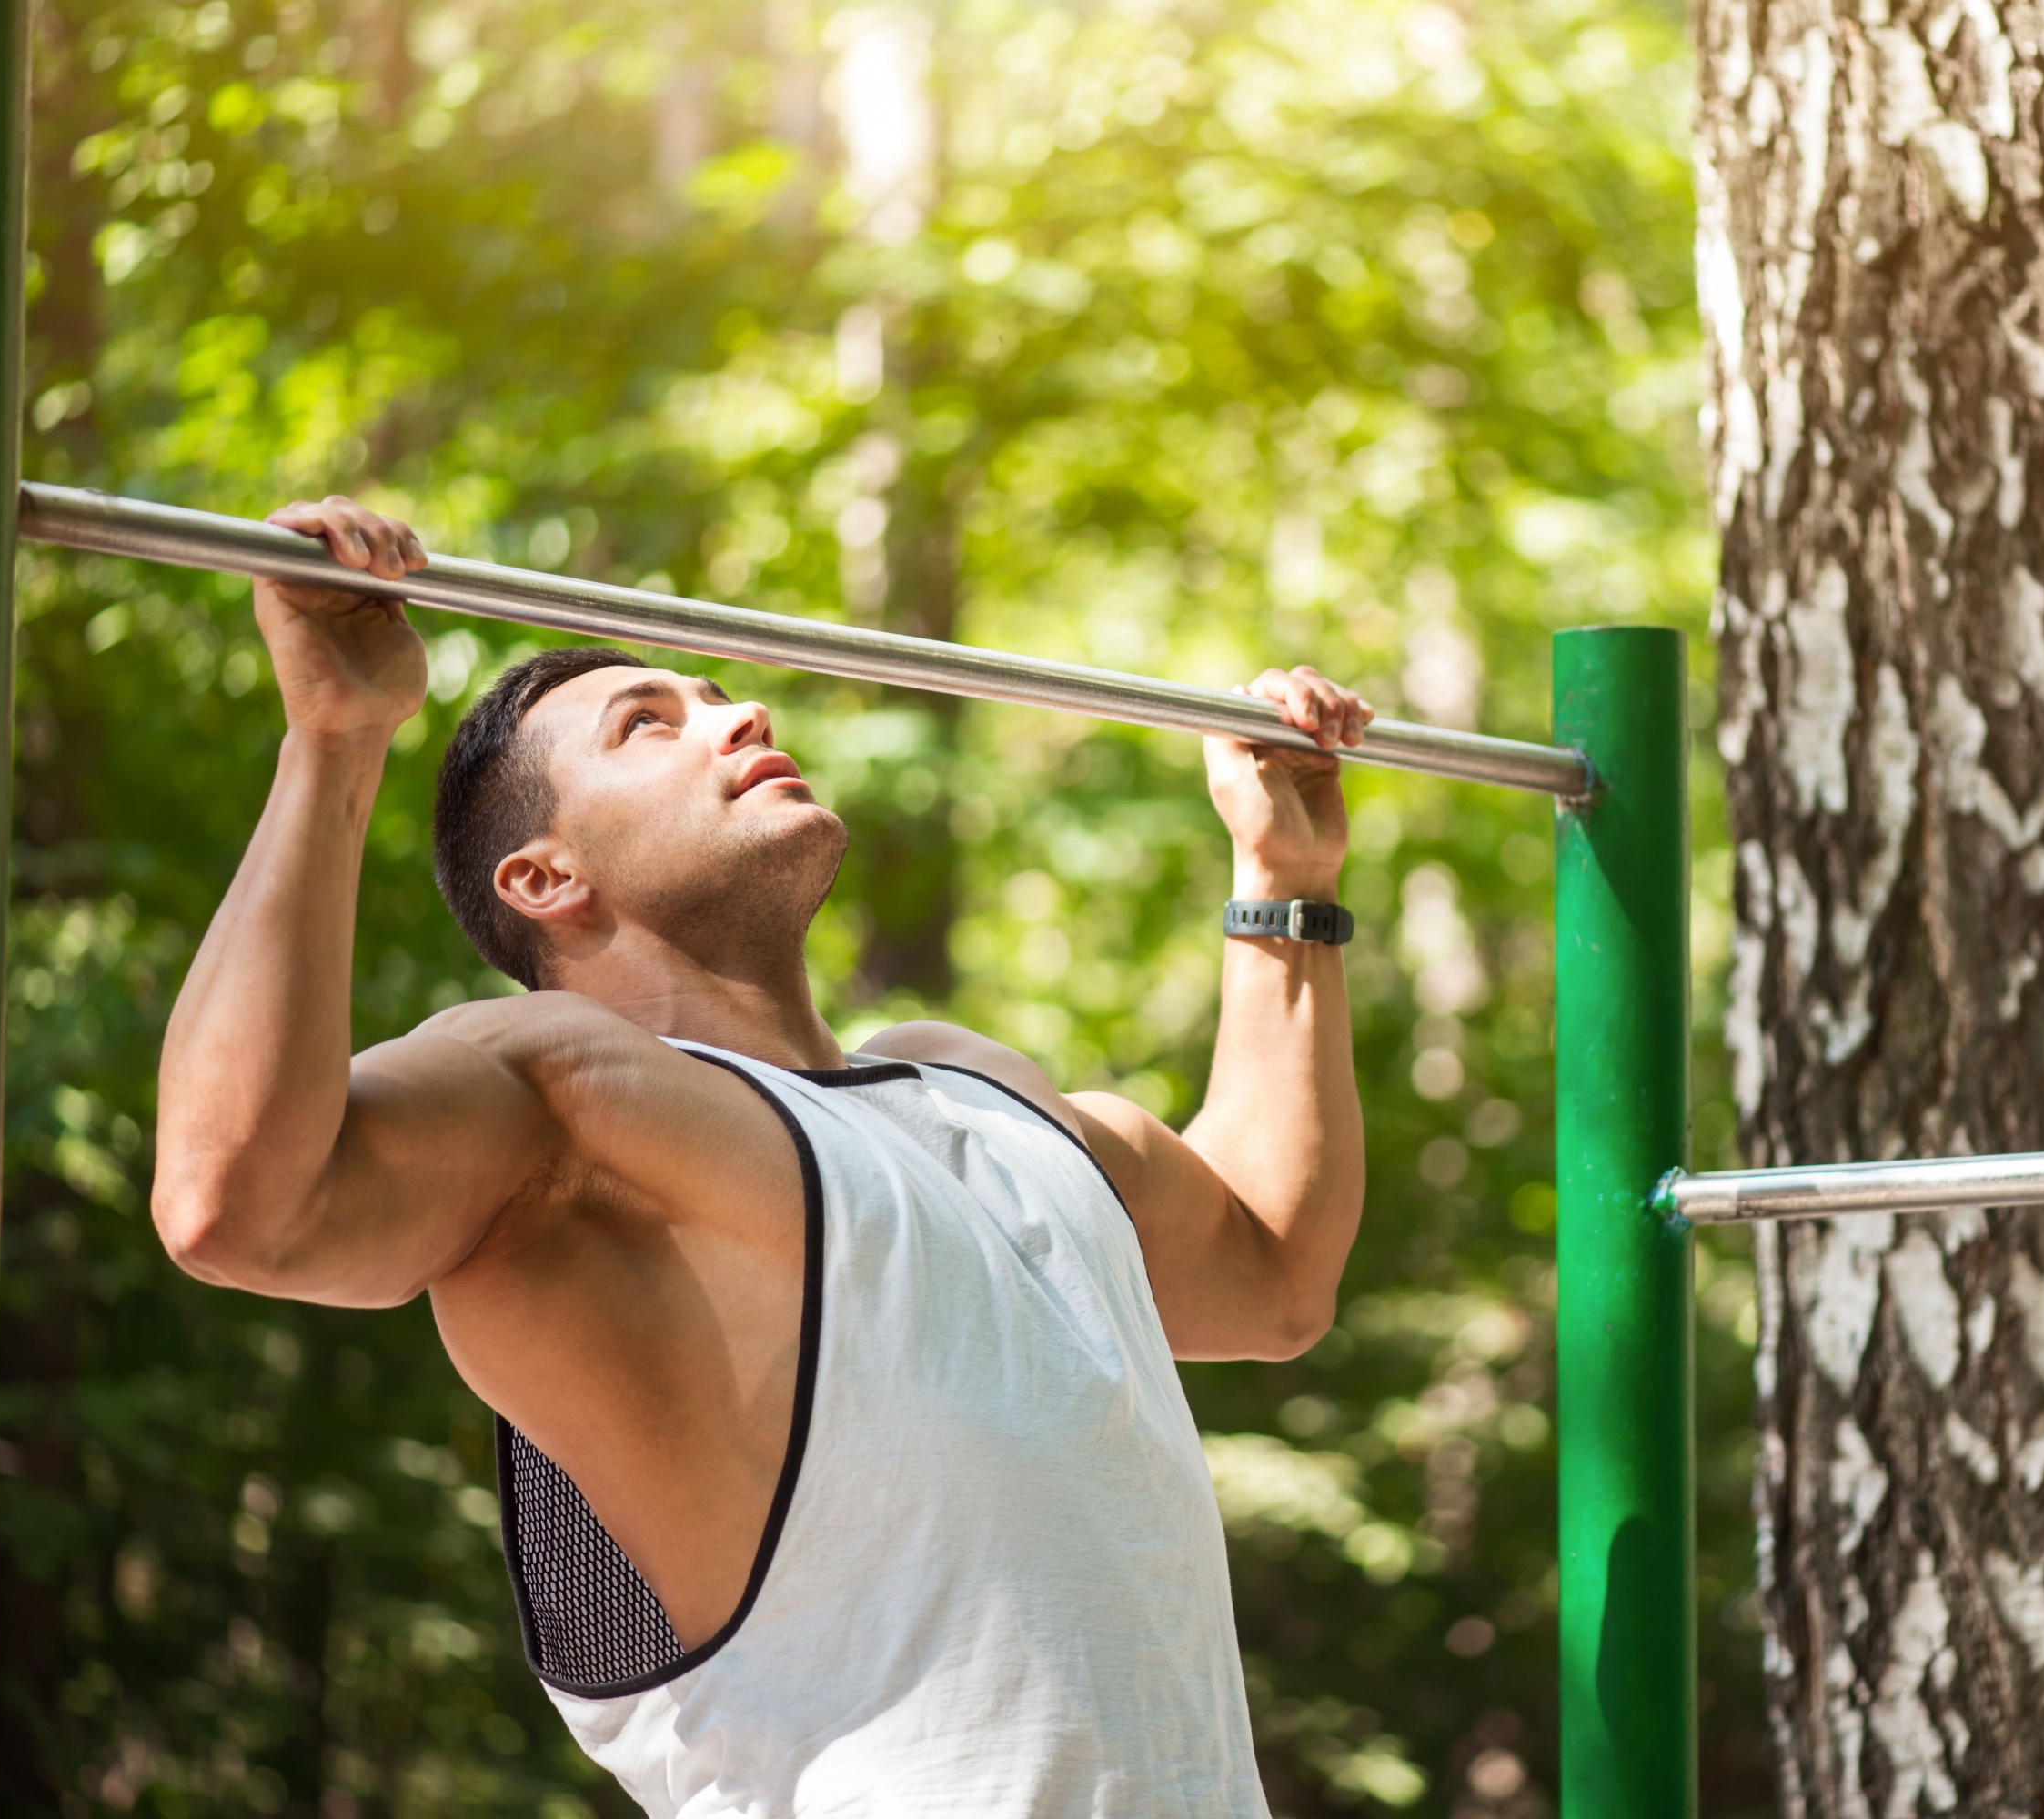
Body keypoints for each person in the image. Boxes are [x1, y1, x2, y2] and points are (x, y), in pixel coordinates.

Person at [152, 495, 1373, 1816]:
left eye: (721, 695)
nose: (743, 719)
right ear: (545, 878)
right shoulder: (569, 1098)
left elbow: (1274, 1268)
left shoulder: (979, 1091)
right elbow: (234, 1204)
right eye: (649, 725)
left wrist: (1283, 880)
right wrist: (334, 739)